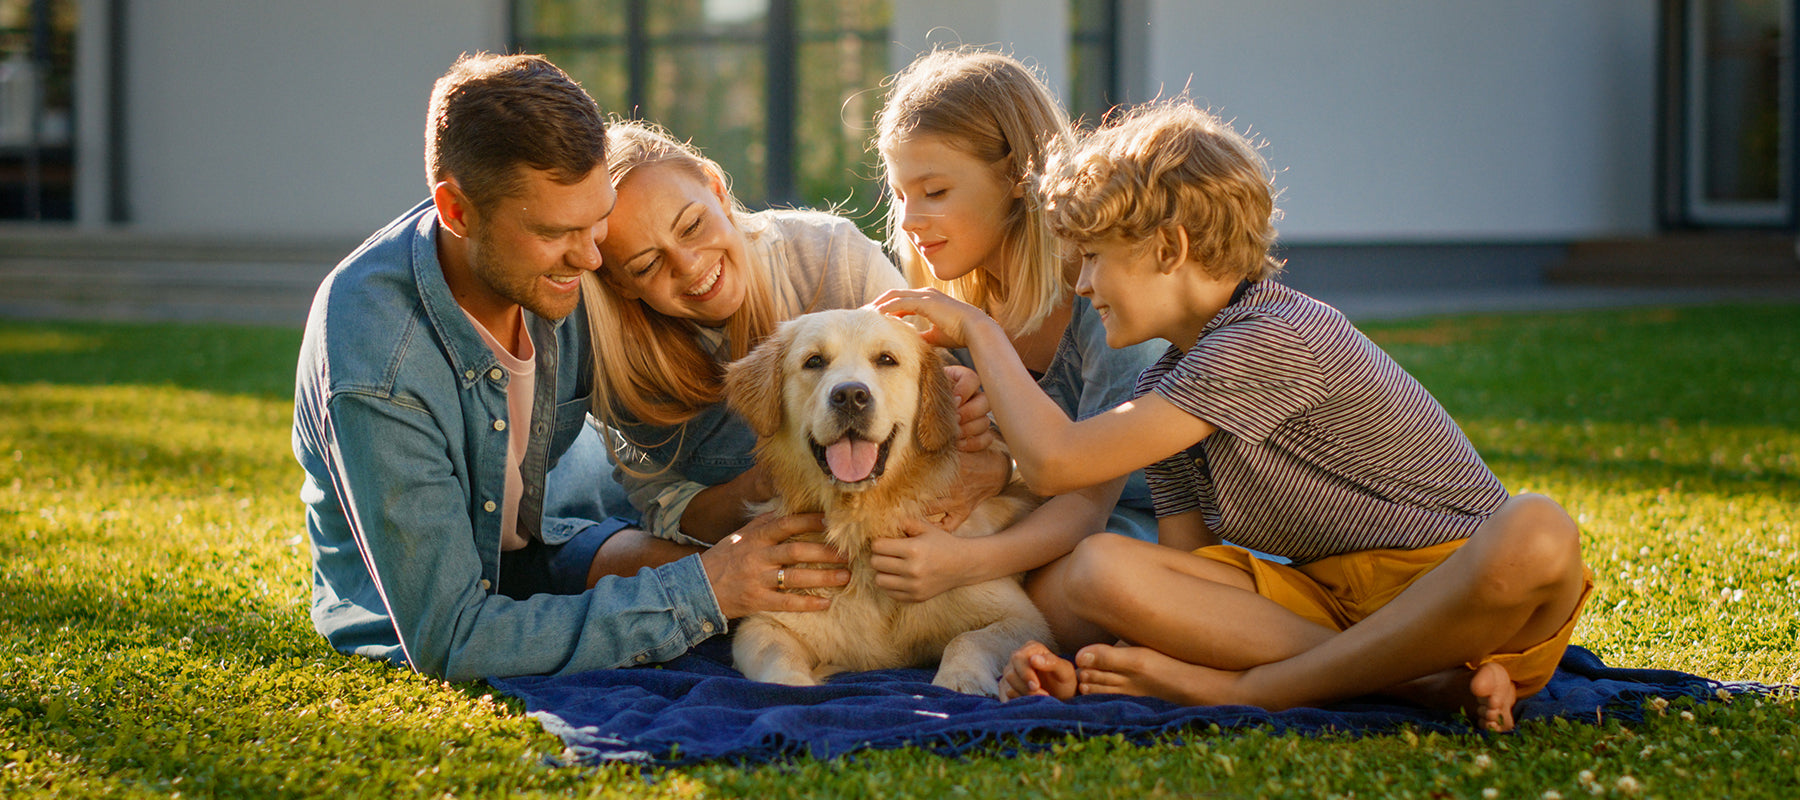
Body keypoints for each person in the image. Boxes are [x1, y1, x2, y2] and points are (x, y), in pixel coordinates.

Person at [875, 101, 1592, 732]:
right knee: (1090, 572)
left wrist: (979, 332)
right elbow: (1185, 565)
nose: (1085, 284)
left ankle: (1258, 690)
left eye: (1093, 259)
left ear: (1170, 248)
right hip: (1329, 603)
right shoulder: (1169, 379)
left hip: (1461, 598)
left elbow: (1056, 461)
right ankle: (1418, 683)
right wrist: (1115, 663)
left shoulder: (1268, 336)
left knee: (1537, 529)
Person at [292, 53, 847, 681]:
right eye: (558, 231)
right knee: (722, 589)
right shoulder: (378, 358)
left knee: (780, 582)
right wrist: (708, 589)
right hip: (437, 604)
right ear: (456, 211)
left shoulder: (562, 268)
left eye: (597, 221)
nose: (590, 259)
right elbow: (452, 638)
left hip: (549, 541)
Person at [561, 120, 1007, 553]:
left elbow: (967, 427)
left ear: (717, 190)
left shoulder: (834, 258)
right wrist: (763, 485)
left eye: (693, 225)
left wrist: (995, 460)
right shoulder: (617, 356)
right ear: (620, 283)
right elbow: (663, 514)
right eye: (646, 265)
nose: (690, 264)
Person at [869, 48, 1166, 634]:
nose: (908, 220)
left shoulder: (1104, 295)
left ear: (1014, 178)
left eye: (934, 191)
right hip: (1031, 517)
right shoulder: (954, 307)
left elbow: (1087, 499)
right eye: (900, 196)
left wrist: (961, 565)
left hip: (1138, 521)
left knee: (1057, 592)